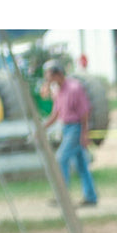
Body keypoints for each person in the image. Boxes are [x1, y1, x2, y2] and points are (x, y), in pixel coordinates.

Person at [41, 59, 97, 208]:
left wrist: (84, 133)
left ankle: (63, 197)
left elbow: (84, 112)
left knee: (61, 158)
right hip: (66, 128)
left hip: (76, 128)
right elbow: (56, 113)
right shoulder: (58, 91)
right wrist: (43, 127)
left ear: (57, 74)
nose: (47, 79)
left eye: (49, 75)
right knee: (81, 165)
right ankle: (91, 197)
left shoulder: (74, 88)